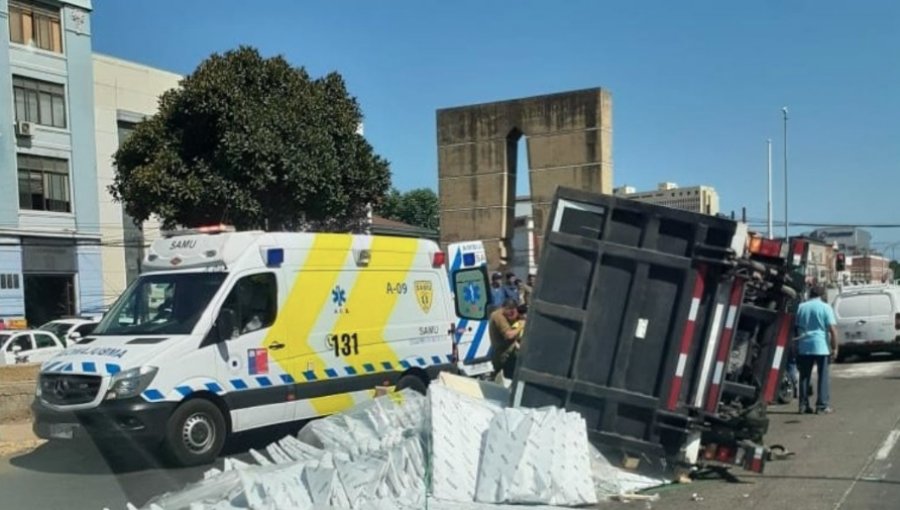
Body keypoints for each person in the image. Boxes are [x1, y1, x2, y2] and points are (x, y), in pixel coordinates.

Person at [794, 284, 838, 414]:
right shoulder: (825, 307)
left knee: (804, 376)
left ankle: (803, 405)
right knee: (822, 376)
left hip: (804, 344)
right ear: (822, 294)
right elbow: (833, 330)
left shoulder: (801, 307)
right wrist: (835, 348)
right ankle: (822, 405)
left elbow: (796, 327)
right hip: (821, 346)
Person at [489, 299, 524, 379]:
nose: (511, 315)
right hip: (503, 355)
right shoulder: (498, 316)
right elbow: (509, 335)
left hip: (508, 353)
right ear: (505, 308)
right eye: (510, 312)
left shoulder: (505, 314)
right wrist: (522, 325)